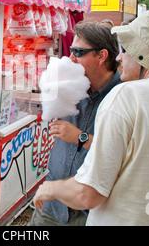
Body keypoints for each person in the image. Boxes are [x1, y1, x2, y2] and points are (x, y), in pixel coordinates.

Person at [33, 10, 149, 225]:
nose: (120, 57)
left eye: (126, 49)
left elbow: (88, 194)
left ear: (144, 55)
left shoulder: (127, 95)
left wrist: (51, 187)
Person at [28, 22, 121, 226]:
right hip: (53, 202)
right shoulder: (70, 84)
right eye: (71, 50)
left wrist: (81, 137)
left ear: (101, 56)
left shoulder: (123, 97)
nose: (70, 58)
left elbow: (124, 154)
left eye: (78, 52)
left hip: (90, 212)